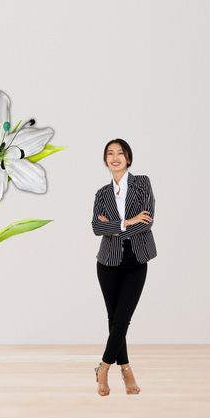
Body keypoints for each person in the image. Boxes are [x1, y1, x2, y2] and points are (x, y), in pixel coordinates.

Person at [91, 139, 157, 396]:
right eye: (110, 153)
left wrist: (114, 226)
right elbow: (97, 228)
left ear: (128, 158)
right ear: (105, 160)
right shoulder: (102, 194)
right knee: (114, 319)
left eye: (120, 153)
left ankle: (104, 368)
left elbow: (147, 222)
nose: (115, 157)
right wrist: (128, 221)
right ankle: (126, 367)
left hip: (136, 260)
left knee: (122, 319)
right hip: (107, 262)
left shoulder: (142, 183)